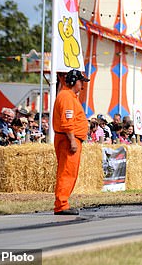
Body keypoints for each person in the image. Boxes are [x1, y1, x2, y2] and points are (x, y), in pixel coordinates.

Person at [52, 69, 90, 215]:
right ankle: (61, 205)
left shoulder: (69, 96)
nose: (82, 86)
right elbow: (67, 121)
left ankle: (62, 203)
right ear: (75, 81)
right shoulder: (67, 97)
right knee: (67, 172)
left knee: (69, 172)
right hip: (68, 139)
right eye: (81, 82)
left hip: (68, 138)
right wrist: (72, 140)